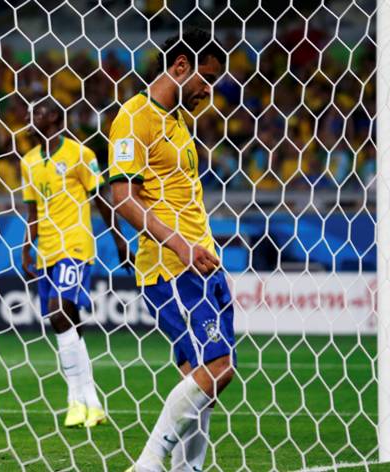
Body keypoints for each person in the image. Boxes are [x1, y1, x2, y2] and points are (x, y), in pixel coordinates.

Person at [108, 29, 235, 471]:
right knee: (219, 367)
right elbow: (122, 197)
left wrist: (201, 246)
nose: (209, 88)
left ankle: (188, 470)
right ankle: (148, 462)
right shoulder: (133, 116)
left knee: (201, 381)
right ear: (180, 65)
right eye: (207, 76)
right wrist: (181, 245)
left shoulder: (179, 122)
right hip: (169, 265)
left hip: (202, 262)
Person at [21, 96, 132, 428]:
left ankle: (73, 400)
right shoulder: (28, 161)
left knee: (58, 313)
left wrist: (119, 239)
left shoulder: (81, 154)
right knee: (70, 323)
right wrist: (28, 247)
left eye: (37, 112)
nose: (30, 117)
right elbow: (32, 211)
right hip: (48, 251)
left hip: (75, 245)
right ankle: (93, 405)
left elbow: (102, 198)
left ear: (54, 116)